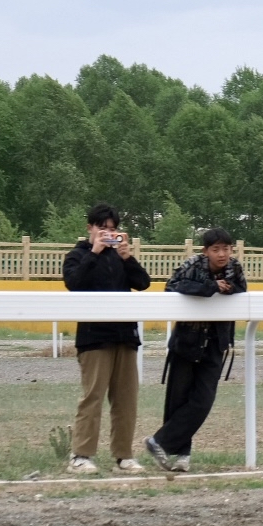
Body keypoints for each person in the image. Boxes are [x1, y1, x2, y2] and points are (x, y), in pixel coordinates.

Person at [146, 228, 246, 472]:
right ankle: (181, 454)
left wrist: (228, 288)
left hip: (216, 342)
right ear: (205, 251)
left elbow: (242, 290)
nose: (222, 254)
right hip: (187, 340)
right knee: (178, 399)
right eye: (216, 249)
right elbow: (172, 288)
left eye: (226, 248)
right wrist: (210, 287)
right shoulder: (192, 264)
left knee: (203, 400)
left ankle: (159, 442)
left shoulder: (235, 268)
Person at [62, 203, 152, 474]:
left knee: (126, 399)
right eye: (103, 228)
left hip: (125, 336)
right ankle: (81, 455)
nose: (108, 234)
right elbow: (74, 283)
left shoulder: (119, 257)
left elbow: (143, 282)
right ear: (90, 228)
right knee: (93, 397)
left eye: (113, 230)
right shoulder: (77, 256)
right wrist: (94, 252)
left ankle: (124, 456)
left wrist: (127, 257)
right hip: (94, 338)